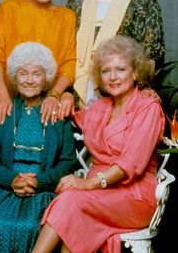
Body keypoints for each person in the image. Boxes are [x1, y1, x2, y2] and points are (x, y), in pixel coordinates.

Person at [32, 35, 165, 253]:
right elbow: (73, 116)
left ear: (135, 73)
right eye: (106, 71)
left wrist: (89, 183)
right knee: (73, 213)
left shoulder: (148, 107)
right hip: (101, 195)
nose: (113, 77)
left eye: (120, 70)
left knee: (70, 200)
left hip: (135, 196)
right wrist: (65, 96)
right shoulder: (100, 107)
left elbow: (131, 164)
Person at [0, 42, 77, 253]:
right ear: (14, 77)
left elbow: (68, 160)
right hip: (2, 187)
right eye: (23, 73)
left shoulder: (57, 114)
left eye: (36, 74)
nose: (29, 80)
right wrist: (12, 180)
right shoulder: (2, 108)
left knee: (32, 227)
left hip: (43, 191)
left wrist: (40, 181)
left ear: (46, 78)